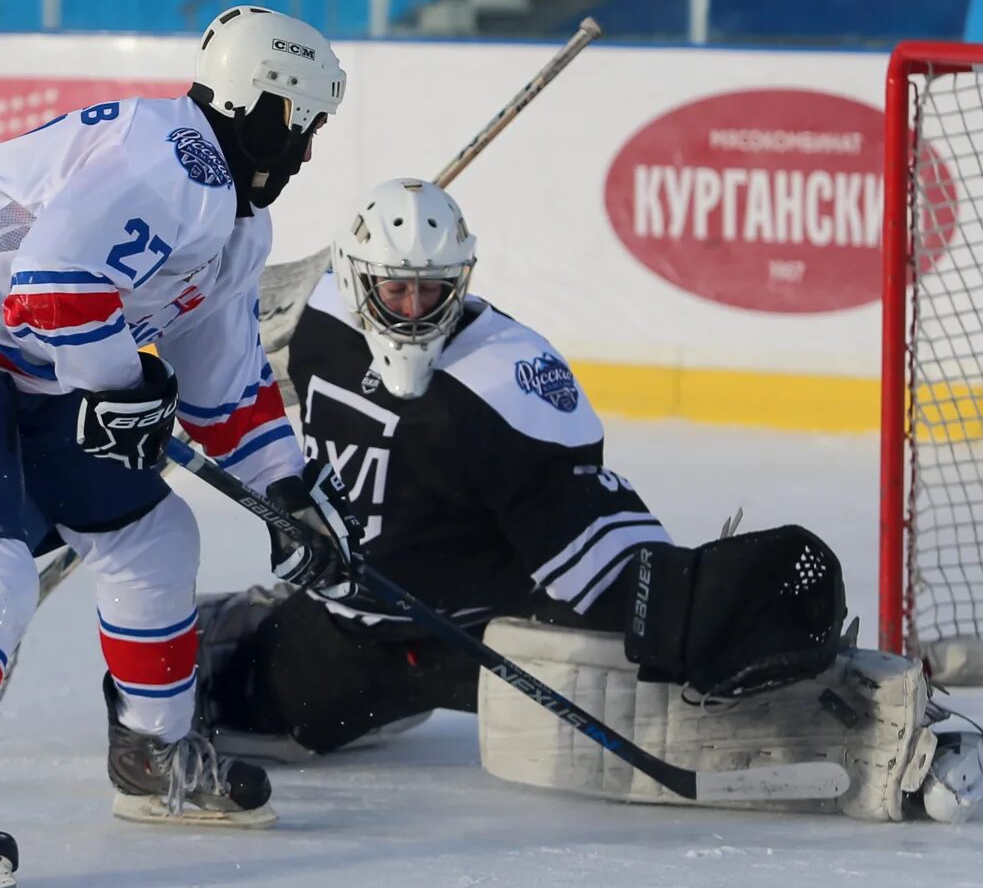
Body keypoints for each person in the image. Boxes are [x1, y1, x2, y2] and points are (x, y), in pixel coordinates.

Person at [0, 6, 360, 888]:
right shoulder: (169, 159)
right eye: (305, 127)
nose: (305, 152)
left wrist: (287, 490)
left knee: (153, 534)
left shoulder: (231, 220)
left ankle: (152, 754)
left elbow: (225, 380)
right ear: (271, 108)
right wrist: (121, 386)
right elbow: (53, 289)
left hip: (21, 361)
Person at [195, 176, 677, 759]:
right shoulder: (311, 313)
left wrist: (678, 619)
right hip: (351, 626)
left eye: (433, 291)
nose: (414, 310)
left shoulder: (507, 375)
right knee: (222, 701)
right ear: (354, 281)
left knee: (612, 658)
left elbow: (591, 535)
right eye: (396, 290)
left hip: (481, 636)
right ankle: (273, 624)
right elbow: (204, 350)